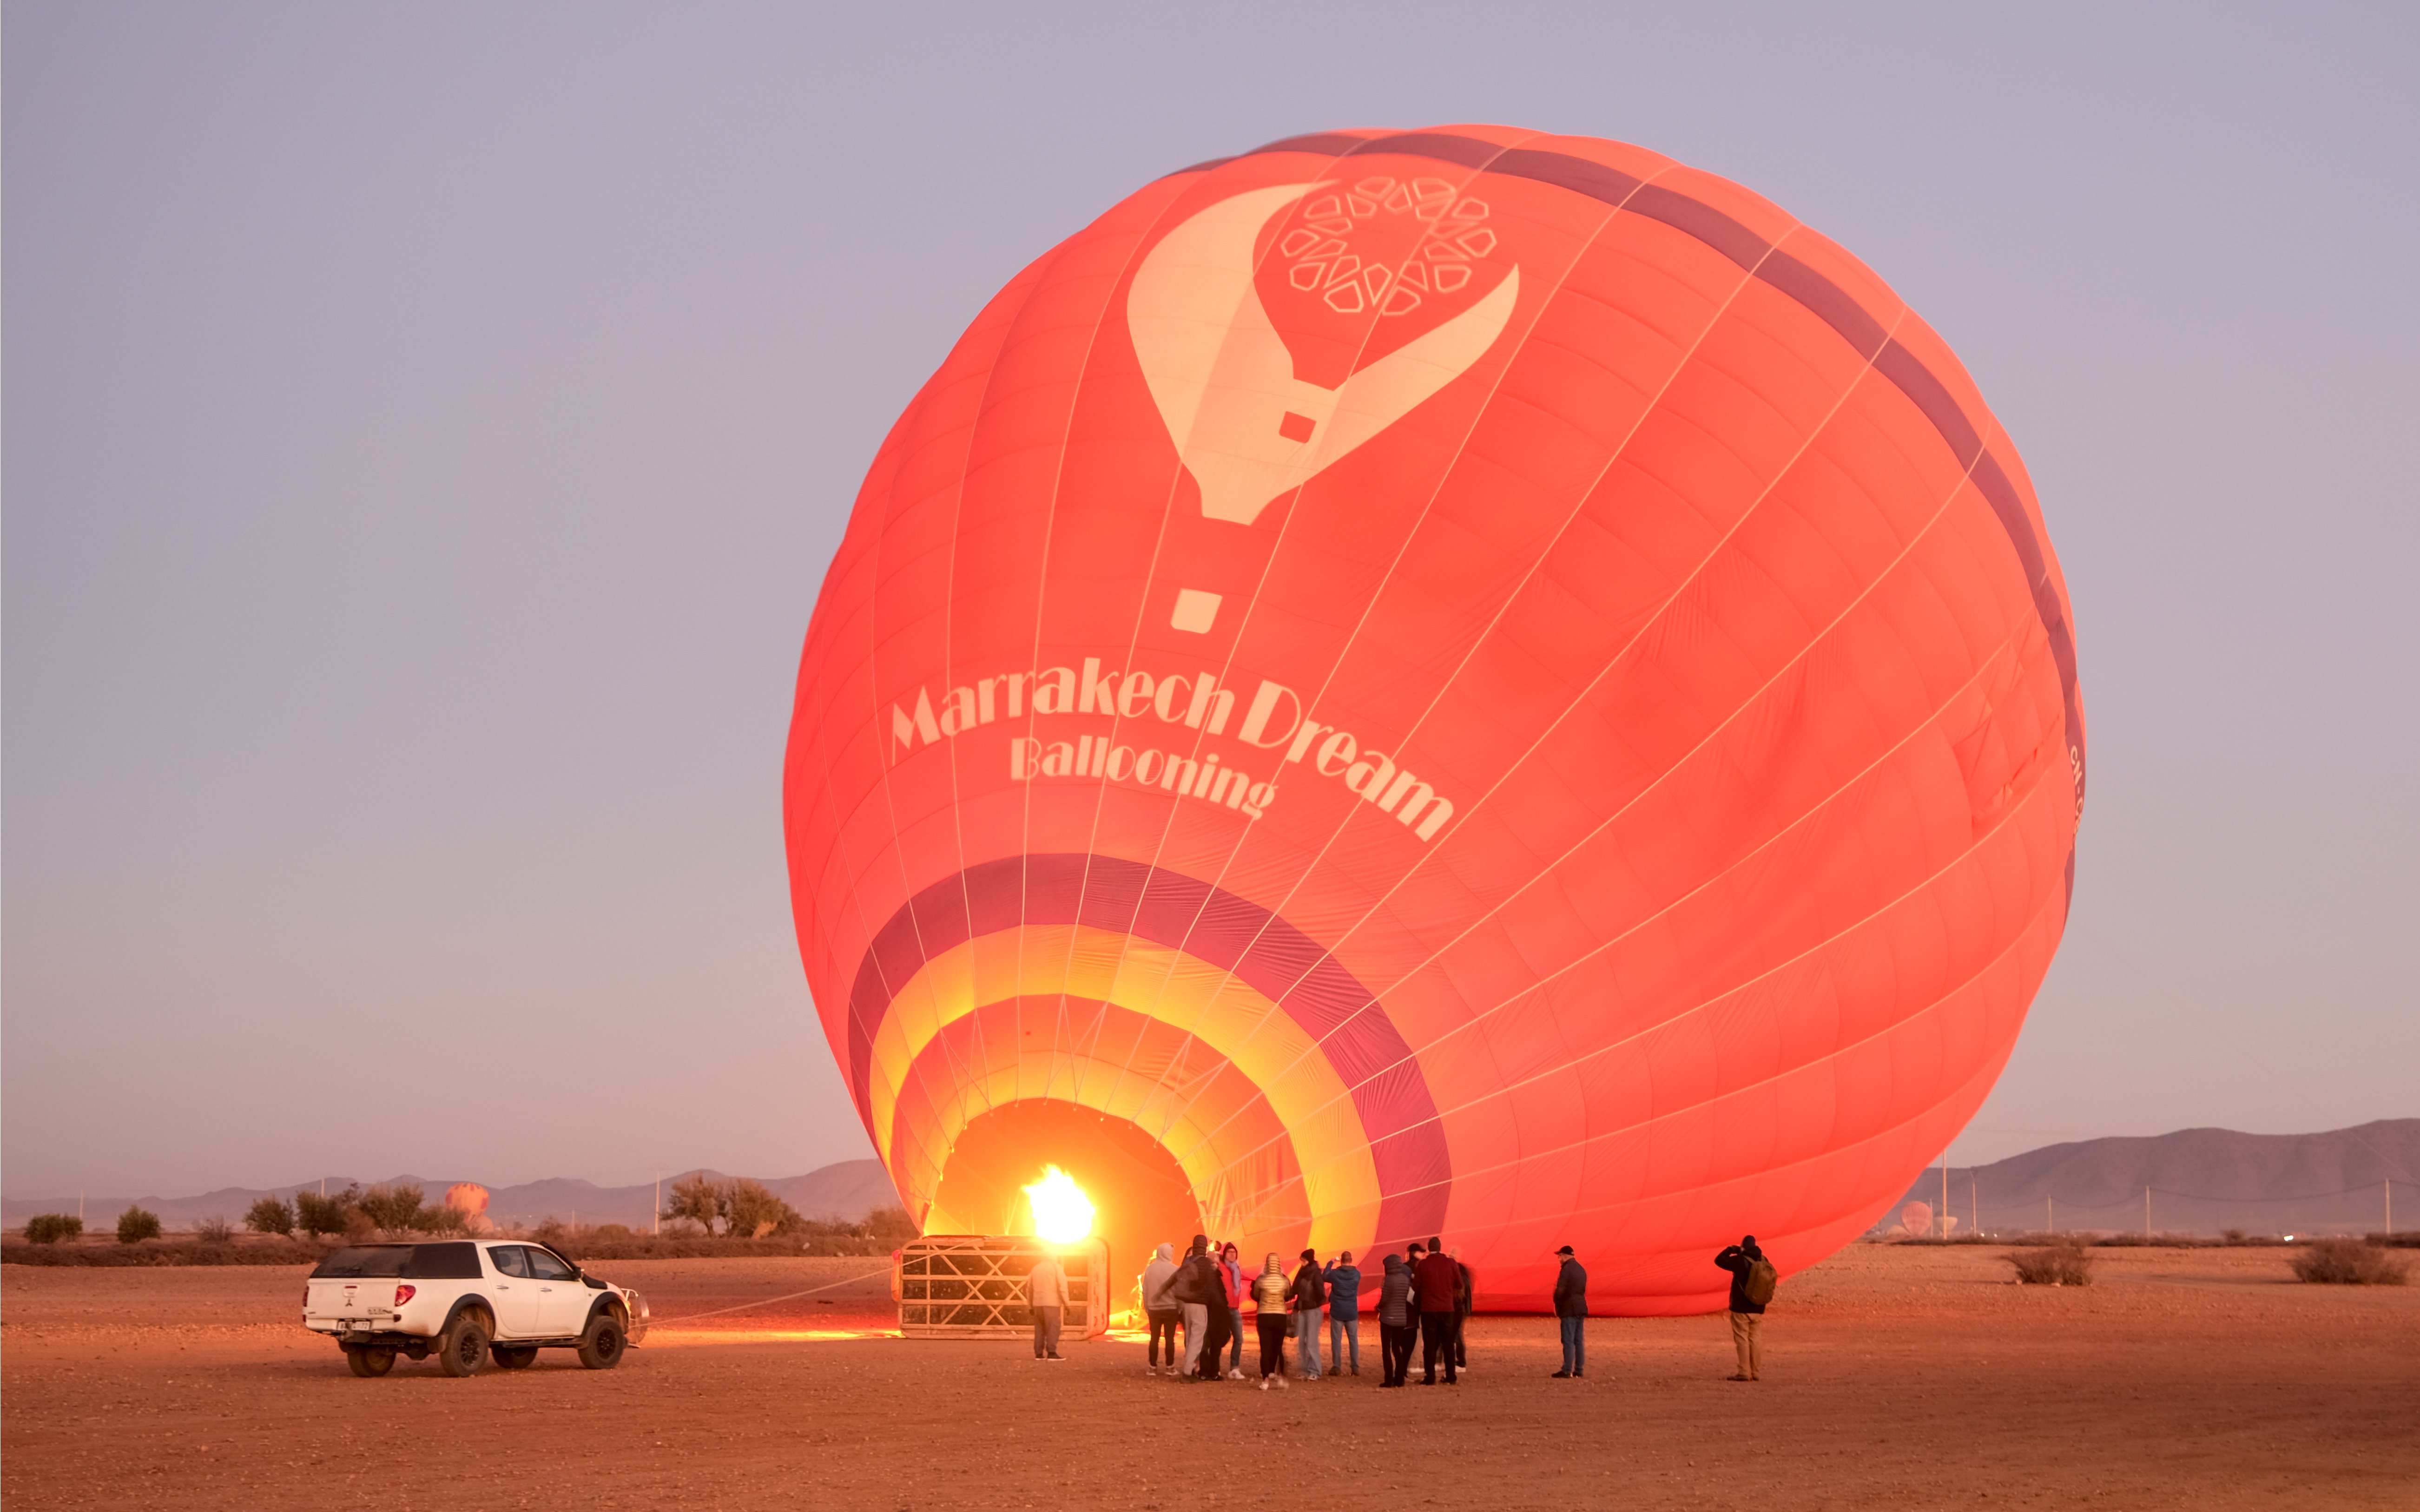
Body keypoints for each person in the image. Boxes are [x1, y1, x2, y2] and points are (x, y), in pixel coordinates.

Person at [1714, 1235, 1770, 1381]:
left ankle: (1744, 1372)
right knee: (1755, 1339)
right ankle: (1755, 1372)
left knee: (1742, 1339)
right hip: (1758, 1307)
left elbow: (1719, 1260)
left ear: (1743, 1246)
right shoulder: (1764, 1261)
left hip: (1741, 1308)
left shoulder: (1740, 1261)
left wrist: (1731, 1250)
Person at [1413, 1236, 1460, 1385]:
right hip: (1447, 1309)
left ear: (1428, 1249)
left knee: (1430, 1344)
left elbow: (1416, 1287)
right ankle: (1451, 1376)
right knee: (1448, 1343)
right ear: (1440, 1248)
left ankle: (1430, 1377)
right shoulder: (1451, 1263)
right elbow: (1459, 1283)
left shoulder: (1423, 1265)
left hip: (1429, 1309)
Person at [1175, 1236, 1215, 1379]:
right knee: (1197, 1340)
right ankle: (1187, 1371)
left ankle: (1189, 1367)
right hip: (1200, 1305)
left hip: (1186, 1304)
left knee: (1190, 1338)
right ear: (1205, 1247)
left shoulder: (1188, 1261)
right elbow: (1212, 1287)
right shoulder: (1206, 1263)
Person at [1251, 1254, 1292, 1390]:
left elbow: (1256, 1295)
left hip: (1264, 1315)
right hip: (1280, 1316)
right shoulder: (1284, 1281)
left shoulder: (1261, 1280)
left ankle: (1266, 1380)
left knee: (1265, 1349)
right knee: (1279, 1348)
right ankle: (1281, 1377)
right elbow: (1287, 1295)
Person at [1375, 1253, 1414, 1387]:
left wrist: (1378, 1307)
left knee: (1386, 1350)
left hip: (1388, 1319)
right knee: (1397, 1349)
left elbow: (1385, 1300)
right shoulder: (1405, 1279)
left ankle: (1388, 1379)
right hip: (1401, 1319)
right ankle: (1400, 1378)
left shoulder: (1389, 1280)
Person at [1287, 1249, 1327, 1379]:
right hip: (1303, 1310)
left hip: (1313, 1311)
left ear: (1309, 1260)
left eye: (1304, 1260)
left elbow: (1321, 1293)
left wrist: (1314, 1303)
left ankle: (1315, 1371)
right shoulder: (1302, 1273)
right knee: (1302, 1342)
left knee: (1311, 1342)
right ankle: (1305, 1370)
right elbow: (1296, 1290)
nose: (1302, 1263)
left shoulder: (1316, 1274)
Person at [1141, 1242, 1180, 1376]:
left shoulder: (1150, 1270)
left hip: (1154, 1310)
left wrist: (1147, 1306)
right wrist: (1179, 1308)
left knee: (1154, 1339)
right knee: (1170, 1340)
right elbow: (1179, 1291)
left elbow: (1145, 1290)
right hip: (1171, 1309)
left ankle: (1152, 1367)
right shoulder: (1175, 1269)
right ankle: (1170, 1367)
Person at [1321, 1250, 1362, 1376]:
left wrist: (1331, 1262)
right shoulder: (1357, 1274)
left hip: (1337, 1310)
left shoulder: (1335, 1274)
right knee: (1353, 1340)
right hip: (1351, 1311)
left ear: (1342, 1260)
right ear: (1351, 1260)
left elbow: (1325, 1276)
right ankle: (1355, 1367)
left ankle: (1337, 1367)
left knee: (1336, 1340)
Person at [1550, 1244, 1587, 1379]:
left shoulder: (1566, 1270)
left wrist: (1556, 1303)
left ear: (1565, 1257)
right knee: (1578, 1340)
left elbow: (1561, 1290)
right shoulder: (1581, 1269)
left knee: (1568, 1340)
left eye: (1560, 1256)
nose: (1559, 1259)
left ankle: (1566, 1370)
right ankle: (1579, 1370)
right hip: (1581, 1307)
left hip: (1569, 1308)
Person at [1028, 1249, 1068, 1361]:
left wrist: (1030, 1306)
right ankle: (1052, 1353)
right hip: (1052, 1303)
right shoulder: (1057, 1268)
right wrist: (1067, 1304)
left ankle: (1039, 1354)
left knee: (1040, 1329)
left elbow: (1029, 1289)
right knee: (1053, 1328)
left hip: (1037, 1304)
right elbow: (1062, 1287)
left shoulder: (1036, 1268)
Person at [1218, 1242, 1248, 1379]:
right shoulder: (1219, 1267)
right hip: (1222, 1309)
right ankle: (1215, 1367)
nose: (1232, 1254)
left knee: (1239, 1339)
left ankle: (1234, 1368)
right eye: (1229, 1252)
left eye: (1234, 1252)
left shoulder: (1237, 1269)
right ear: (1224, 1254)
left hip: (1235, 1308)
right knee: (1220, 1339)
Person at [1451, 1246, 1474, 1374]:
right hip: (1457, 1308)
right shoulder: (1462, 1270)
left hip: (1460, 1308)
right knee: (1451, 1334)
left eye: (1454, 1256)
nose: (1451, 1257)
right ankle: (1451, 1361)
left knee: (1458, 1335)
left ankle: (1461, 1362)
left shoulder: (1461, 1271)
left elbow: (1462, 1290)